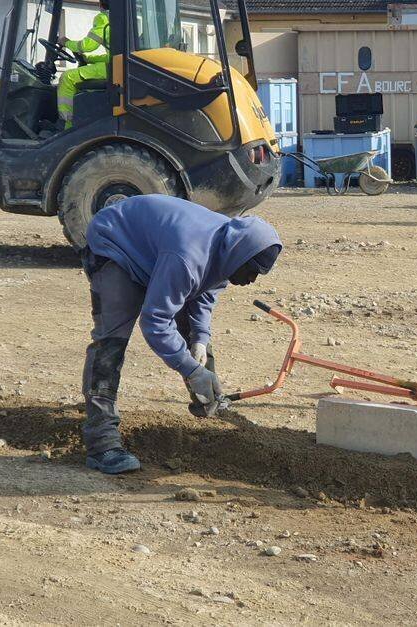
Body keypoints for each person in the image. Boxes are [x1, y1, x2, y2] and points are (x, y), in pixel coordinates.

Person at [80, 194, 282, 474]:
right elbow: (155, 321)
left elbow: (205, 291)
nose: (251, 281)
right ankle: (102, 442)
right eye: (251, 271)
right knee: (111, 341)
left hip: (157, 249)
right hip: (117, 243)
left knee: (194, 330)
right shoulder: (188, 256)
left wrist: (200, 337)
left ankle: (207, 406)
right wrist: (191, 370)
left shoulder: (228, 245)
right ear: (240, 255)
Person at [56, 0, 110, 128]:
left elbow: (87, 45)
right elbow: (111, 56)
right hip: (116, 65)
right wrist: (89, 59)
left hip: (113, 68)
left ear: (100, 4)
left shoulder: (104, 18)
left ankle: (68, 125)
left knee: (67, 78)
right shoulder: (117, 20)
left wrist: (66, 43)